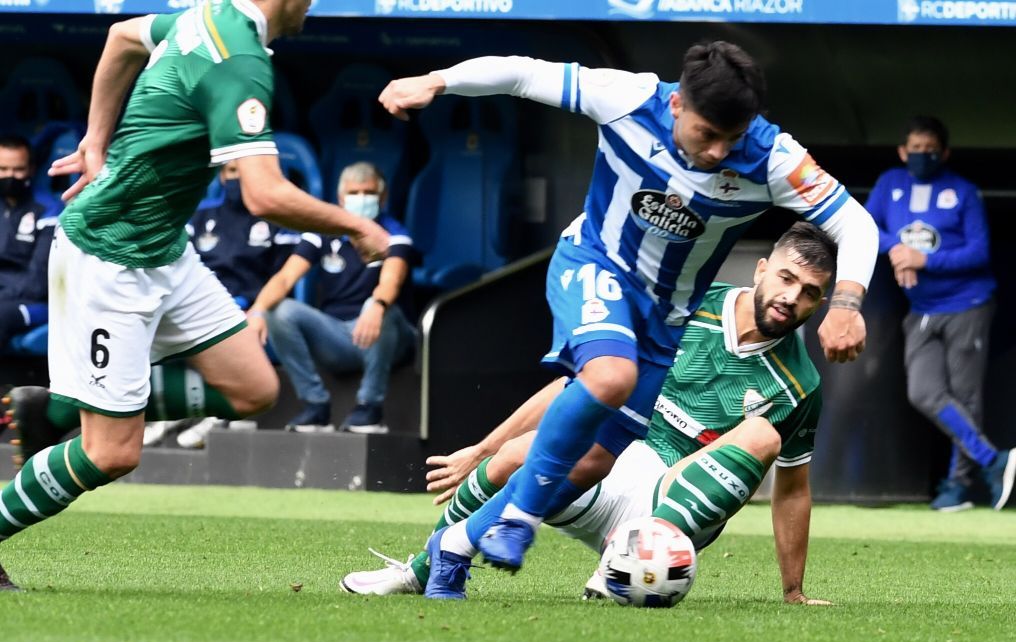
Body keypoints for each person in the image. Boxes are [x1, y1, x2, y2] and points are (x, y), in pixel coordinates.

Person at [378, 41, 878, 585]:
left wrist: (848, 302)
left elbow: (856, 224)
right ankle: (516, 519)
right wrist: (438, 80)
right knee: (611, 375)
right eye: (706, 135)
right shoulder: (628, 97)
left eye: (730, 140)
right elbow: (521, 73)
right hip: (595, 263)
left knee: (594, 458)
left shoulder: (773, 156)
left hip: (665, 317)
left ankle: (452, 548)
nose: (716, 153)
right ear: (678, 106)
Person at [0, 0, 390, 591]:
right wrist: (356, 224)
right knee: (112, 453)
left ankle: (54, 409)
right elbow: (262, 194)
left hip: (166, 252)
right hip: (107, 256)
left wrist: (95, 140)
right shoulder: (241, 57)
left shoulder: (200, 17)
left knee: (255, 387)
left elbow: (121, 37)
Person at [342, 223, 833, 603]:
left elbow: (792, 490)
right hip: (613, 467)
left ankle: (629, 558)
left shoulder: (800, 383)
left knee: (761, 437)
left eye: (810, 291)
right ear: (762, 268)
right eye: (787, 278)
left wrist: (793, 592)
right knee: (521, 452)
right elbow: (578, 386)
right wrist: (484, 449)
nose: (793, 297)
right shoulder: (684, 306)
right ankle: (427, 569)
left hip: (672, 509)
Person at [866, 115, 1013, 512]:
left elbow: (980, 253)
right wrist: (897, 249)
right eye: (915, 150)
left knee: (966, 396)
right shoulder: (890, 185)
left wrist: (924, 259)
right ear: (902, 152)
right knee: (923, 391)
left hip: (968, 304)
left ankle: (957, 487)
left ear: (944, 153)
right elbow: (864, 225)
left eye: (930, 150)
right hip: (922, 309)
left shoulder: (962, 192)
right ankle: (992, 460)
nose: (922, 156)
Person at [246, 161, 416, 433]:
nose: (361, 199)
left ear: (382, 198)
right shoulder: (322, 234)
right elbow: (285, 277)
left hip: (389, 340)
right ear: (340, 198)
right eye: (354, 193)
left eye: (368, 192)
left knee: (382, 309)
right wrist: (257, 311)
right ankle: (315, 405)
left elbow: (390, 281)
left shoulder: (394, 235)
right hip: (338, 337)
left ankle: (369, 408)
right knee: (279, 311)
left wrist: (378, 303)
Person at [144, 159, 299, 448]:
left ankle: (219, 412)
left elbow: (284, 278)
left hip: (251, 308)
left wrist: (259, 309)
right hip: (196, 305)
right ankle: (170, 414)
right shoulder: (200, 215)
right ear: (222, 176)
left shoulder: (280, 220)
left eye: (246, 172)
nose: (238, 179)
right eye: (231, 172)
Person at [0, 134, 59, 350]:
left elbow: (38, 281)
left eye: (18, 170)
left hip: (35, 302)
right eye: (3, 169)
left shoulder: (48, 209)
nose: (10, 176)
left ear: (31, 169)